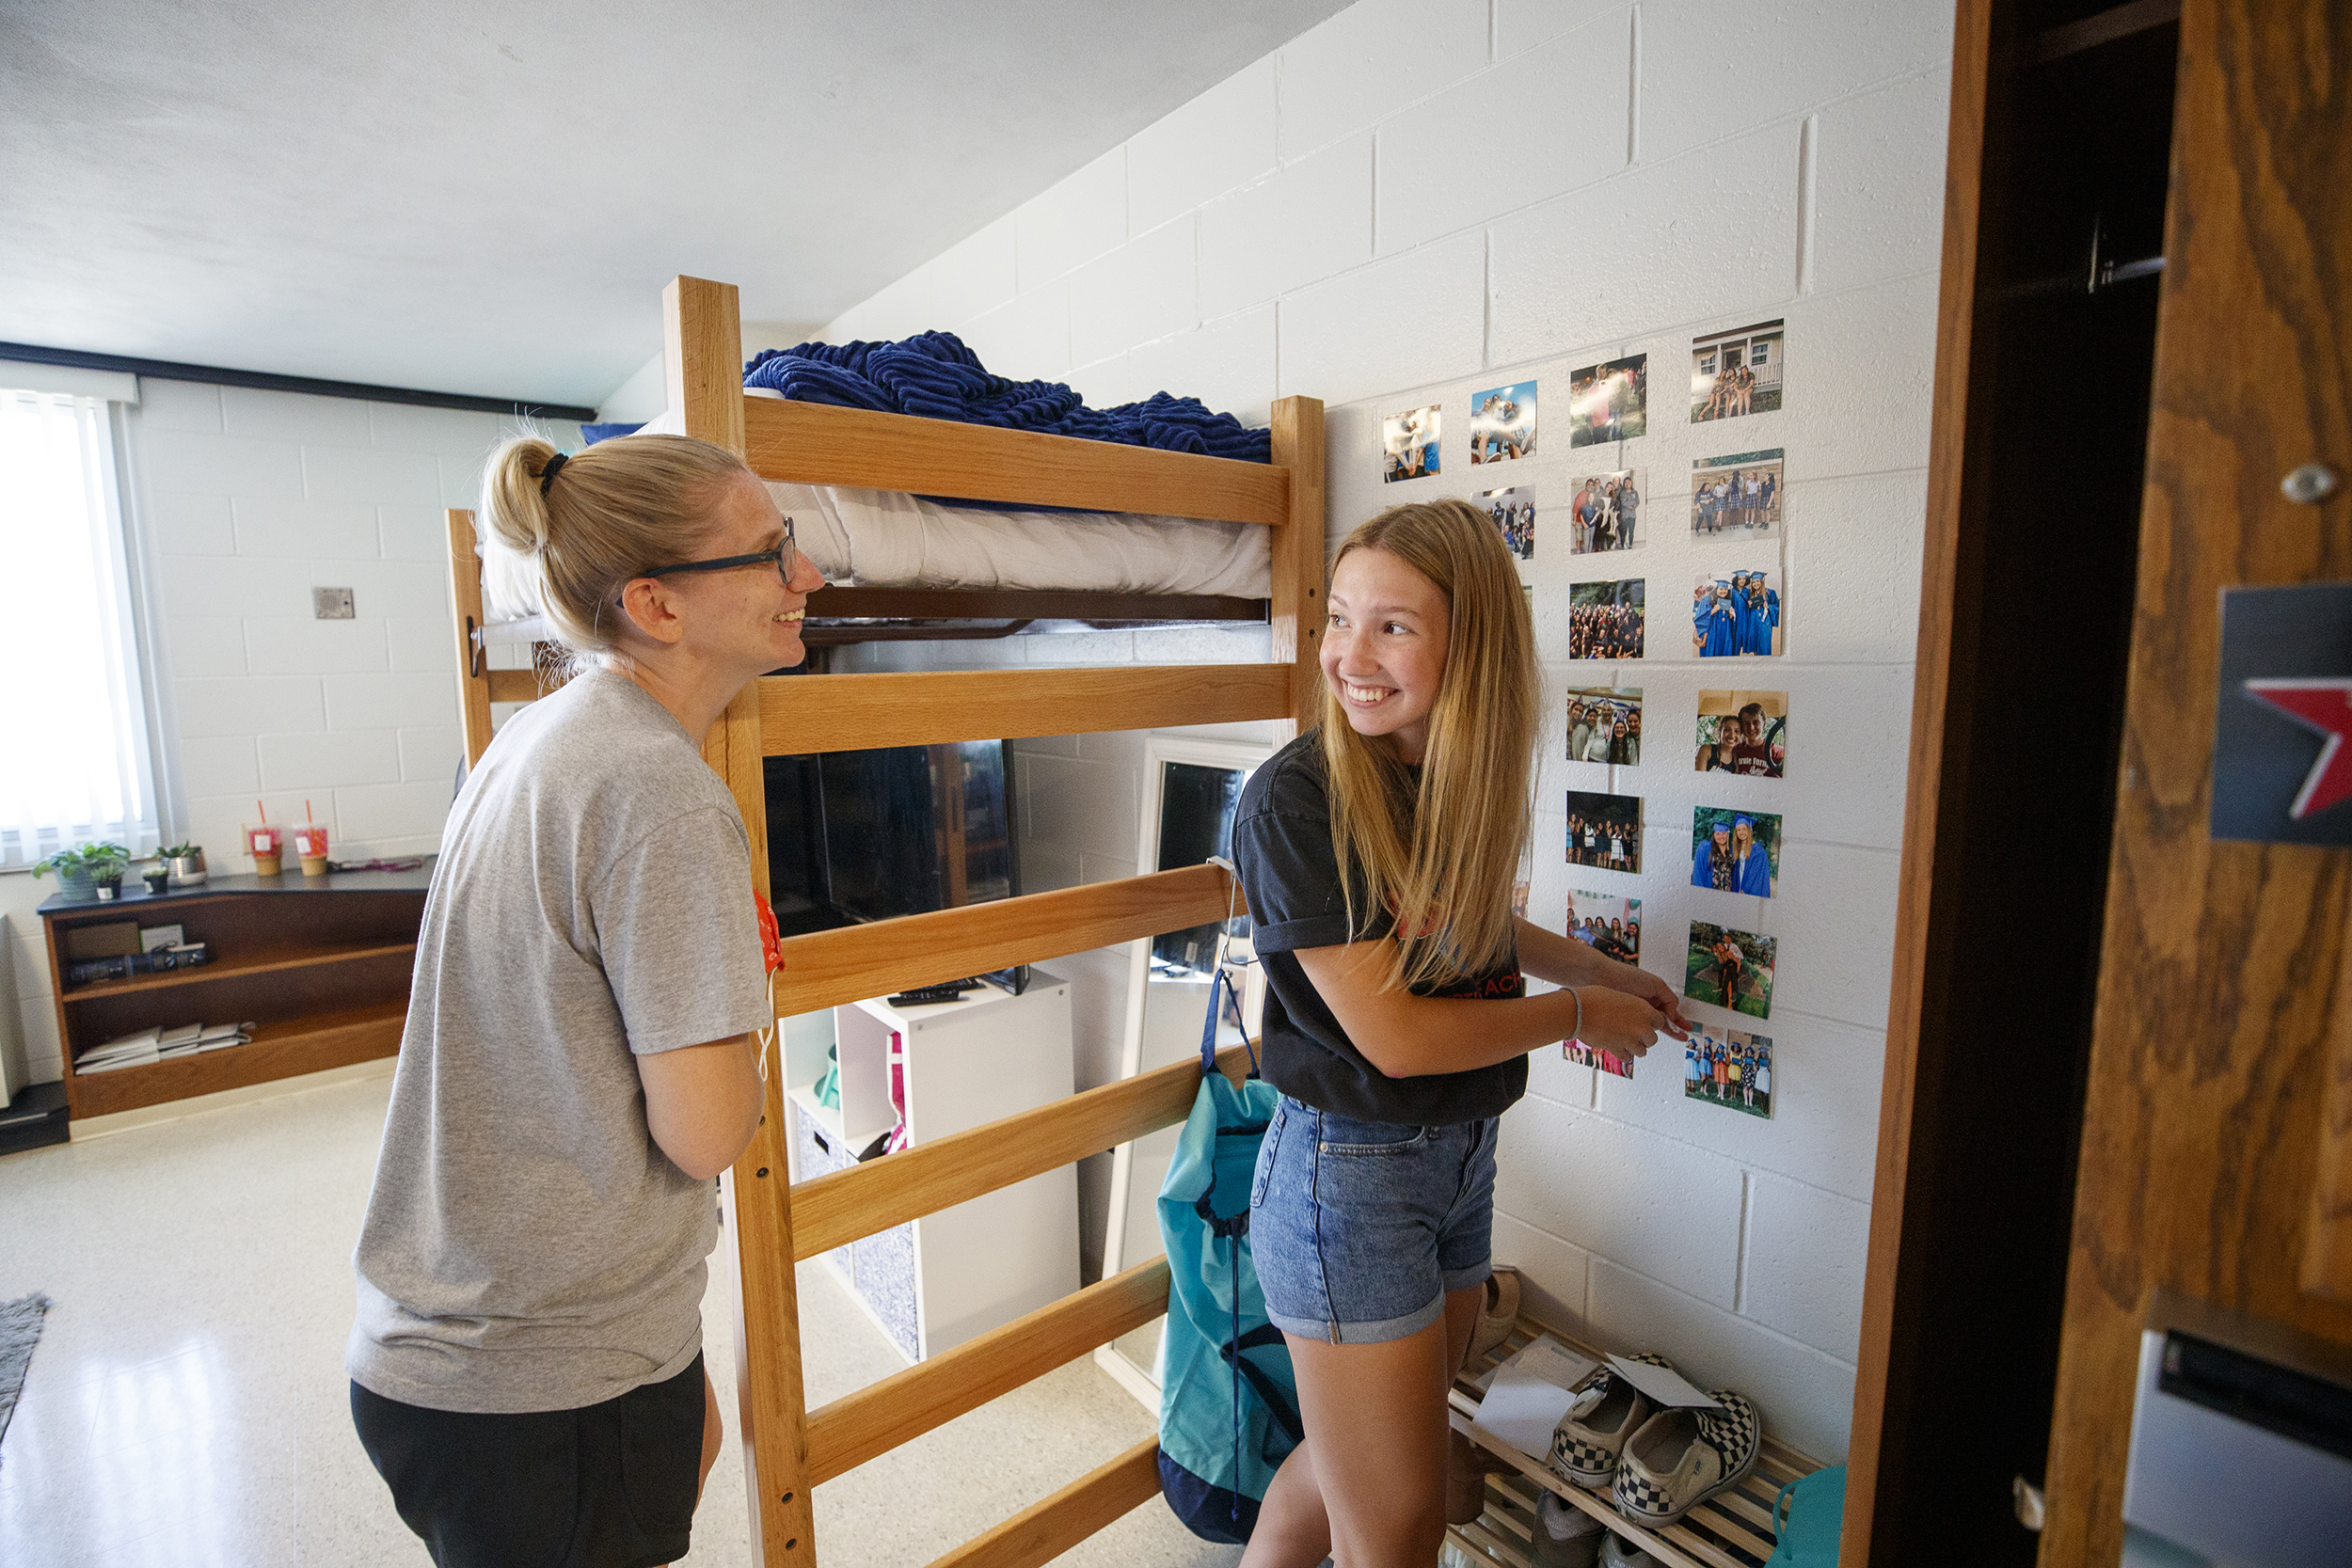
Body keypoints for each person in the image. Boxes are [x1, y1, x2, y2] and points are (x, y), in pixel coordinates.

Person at [348, 432, 828, 1568]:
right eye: (773, 552)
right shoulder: (660, 793)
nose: (805, 576)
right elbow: (707, 1132)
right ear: (657, 604)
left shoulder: (539, 735)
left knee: (691, 1434)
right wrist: (747, 990)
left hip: (456, 1345)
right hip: (535, 1383)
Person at [1233, 498, 1691, 1568]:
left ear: (1467, 643)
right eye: (1339, 617)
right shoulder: (1294, 802)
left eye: (1391, 625)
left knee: (1353, 1475)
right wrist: (1579, 1014)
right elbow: (1391, 1035)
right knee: (1398, 1522)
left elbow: (1464, 921)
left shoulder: (1439, 770)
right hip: (1346, 1175)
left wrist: (1595, 966)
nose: (1349, 653)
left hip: (1455, 1156)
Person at [1729, 815, 1773, 895]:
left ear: (1749, 831)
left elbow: (1755, 874)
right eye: (1738, 830)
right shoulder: (1735, 848)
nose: (1741, 832)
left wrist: (1745, 889)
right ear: (1736, 833)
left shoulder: (1758, 850)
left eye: (1744, 829)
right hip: (1738, 884)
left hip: (1750, 888)